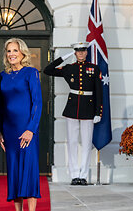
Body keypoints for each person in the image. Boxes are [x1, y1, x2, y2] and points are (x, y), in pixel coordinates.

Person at [0, 38, 42, 211]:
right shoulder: (2, 76)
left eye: (15, 50)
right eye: (8, 50)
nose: (12, 53)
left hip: (27, 130)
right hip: (8, 130)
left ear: (23, 52)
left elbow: (37, 103)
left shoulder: (31, 73)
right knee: (14, 173)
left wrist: (31, 129)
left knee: (29, 173)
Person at [43, 42, 103, 186]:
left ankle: (83, 175)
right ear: (75, 53)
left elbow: (99, 93)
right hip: (72, 108)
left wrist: (98, 112)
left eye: (83, 51)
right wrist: (63, 57)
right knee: (72, 143)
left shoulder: (94, 69)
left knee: (87, 143)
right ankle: (74, 175)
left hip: (88, 109)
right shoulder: (69, 68)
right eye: (78, 51)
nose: (81, 53)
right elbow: (48, 70)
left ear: (86, 53)